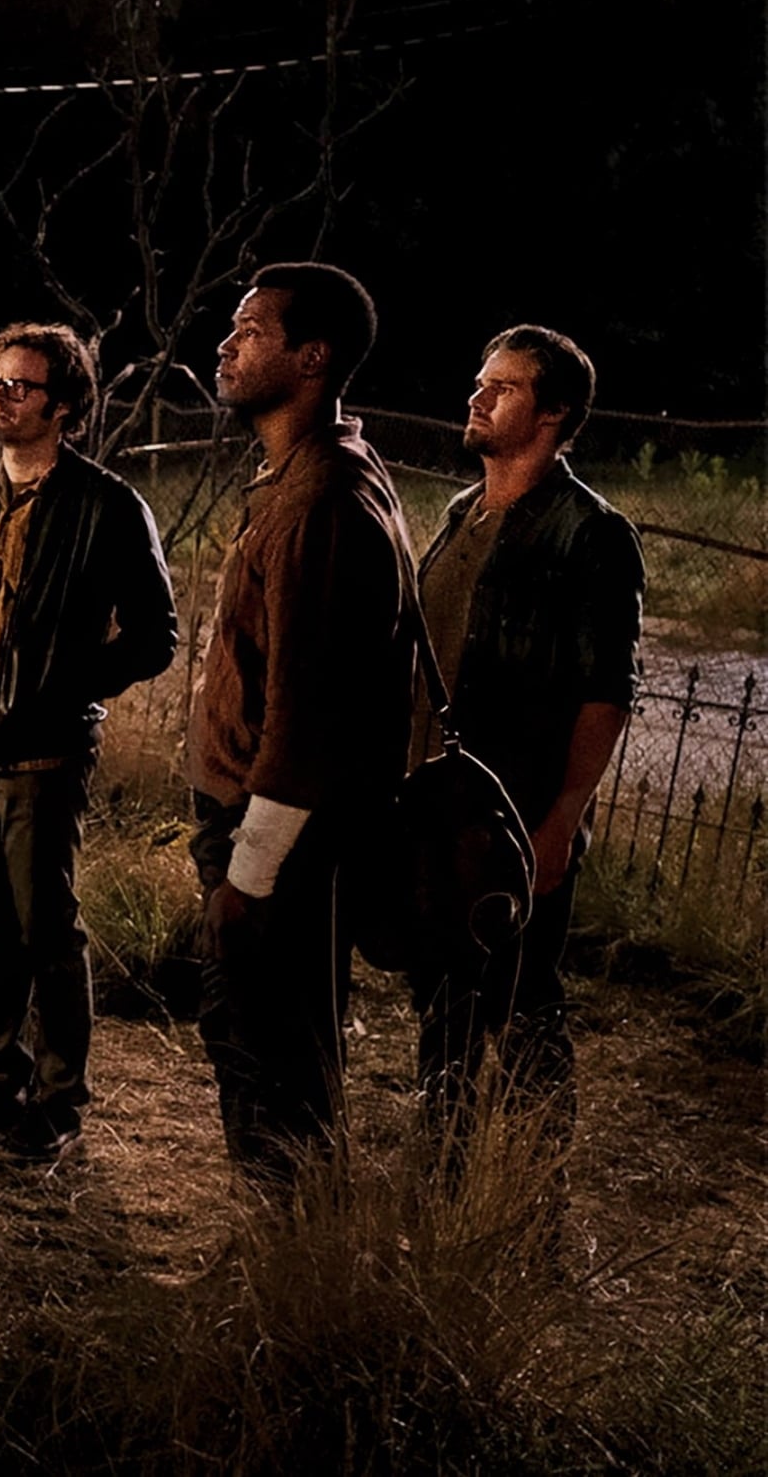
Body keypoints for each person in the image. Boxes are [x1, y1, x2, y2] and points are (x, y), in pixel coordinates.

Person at [0, 323, 177, 1159]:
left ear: (63, 407)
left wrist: (67, 686)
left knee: (46, 931)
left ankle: (61, 1100)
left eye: (19, 386)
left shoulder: (106, 505)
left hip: (42, 754)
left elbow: (156, 636)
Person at [189, 262, 416, 1193]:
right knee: (262, 1038)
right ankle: (281, 1228)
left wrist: (250, 871)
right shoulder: (306, 476)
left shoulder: (321, 500)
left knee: (270, 1046)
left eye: (251, 331)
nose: (226, 344)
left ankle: (289, 1239)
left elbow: (305, 710)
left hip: (278, 837)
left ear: (312, 358)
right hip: (265, 824)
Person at [408, 325, 641, 1150]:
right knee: (442, 994)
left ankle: (533, 1184)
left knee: (522, 999)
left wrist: (563, 818)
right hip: (438, 800)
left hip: (519, 810)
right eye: (481, 382)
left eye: (502, 388)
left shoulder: (590, 532)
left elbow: (606, 691)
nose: (478, 397)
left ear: (553, 414)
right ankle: (443, 1161)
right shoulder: (460, 513)